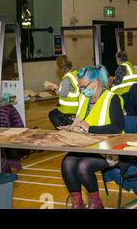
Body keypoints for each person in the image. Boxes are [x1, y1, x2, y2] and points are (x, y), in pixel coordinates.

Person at [61, 65, 124, 209]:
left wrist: (90, 129)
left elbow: (117, 128)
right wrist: (72, 127)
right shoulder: (84, 98)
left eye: (83, 87)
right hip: (87, 146)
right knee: (67, 164)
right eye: (80, 88)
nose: (82, 91)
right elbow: (81, 119)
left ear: (94, 83)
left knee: (83, 167)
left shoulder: (111, 99)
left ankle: (96, 204)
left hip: (111, 149)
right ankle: (78, 204)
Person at [48, 56, 80, 129]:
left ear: (61, 67)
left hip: (70, 108)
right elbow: (72, 90)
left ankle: (62, 129)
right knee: (58, 113)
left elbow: (63, 94)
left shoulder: (67, 78)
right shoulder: (76, 74)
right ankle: (68, 121)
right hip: (78, 106)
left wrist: (54, 90)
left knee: (52, 114)